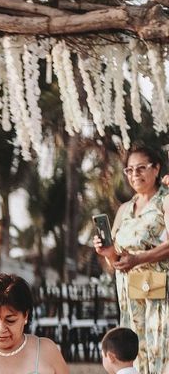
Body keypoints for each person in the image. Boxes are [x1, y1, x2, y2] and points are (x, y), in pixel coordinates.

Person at [93, 144, 169, 374]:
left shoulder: (165, 201)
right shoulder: (124, 210)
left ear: (156, 169)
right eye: (129, 170)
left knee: (160, 344)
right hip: (130, 292)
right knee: (135, 348)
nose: (135, 175)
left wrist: (139, 259)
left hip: (160, 290)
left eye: (141, 168)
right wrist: (108, 253)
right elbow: (116, 259)